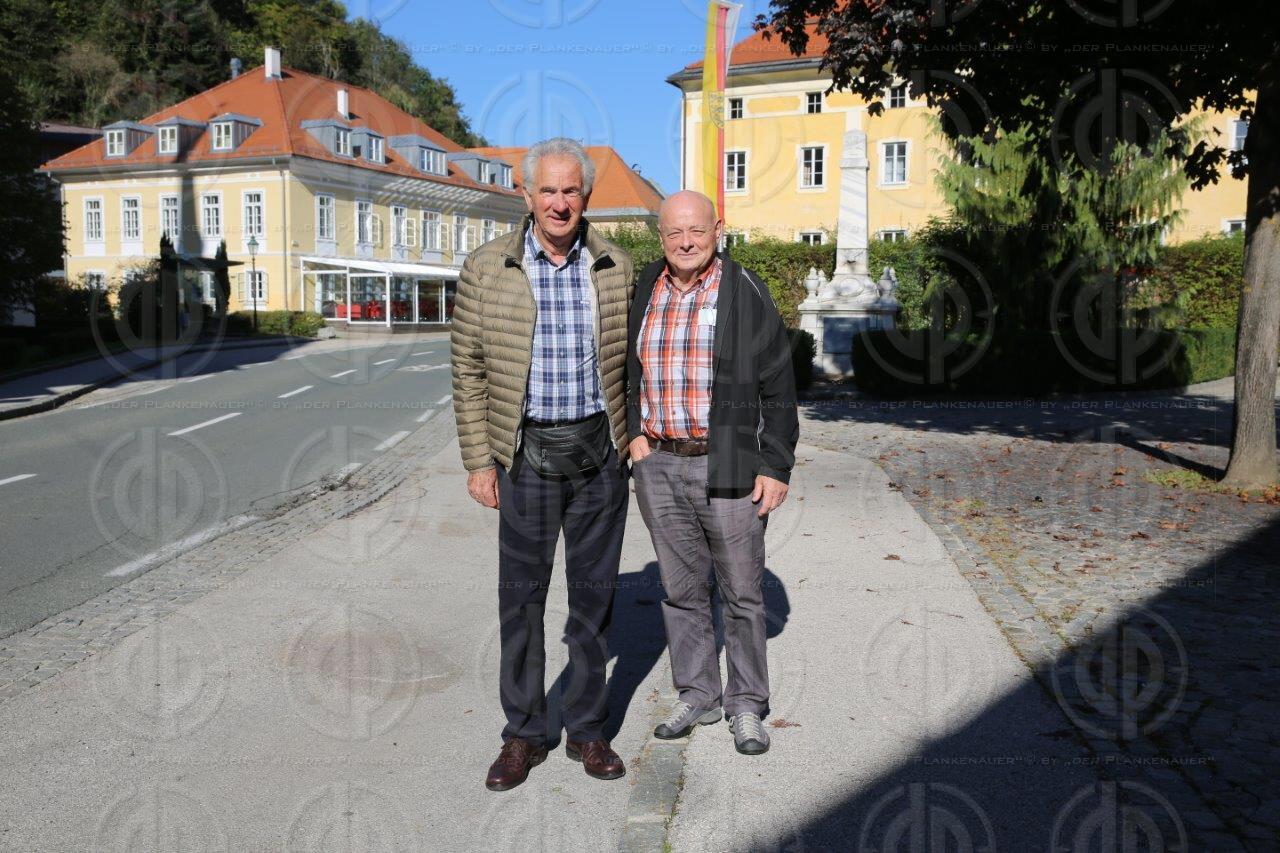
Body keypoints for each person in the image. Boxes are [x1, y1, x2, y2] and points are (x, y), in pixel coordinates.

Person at [451, 138, 634, 791]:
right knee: (521, 601)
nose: (559, 202)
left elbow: (635, 362)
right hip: (523, 456)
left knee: (594, 600)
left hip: (599, 456)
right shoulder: (487, 267)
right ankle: (524, 734)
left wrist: (635, 438)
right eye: (548, 190)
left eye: (570, 190)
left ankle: (586, 727)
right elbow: (467, 369)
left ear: (586, 195)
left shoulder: (616, 265)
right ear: (526, 195)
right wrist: (479, 460)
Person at [626, 190, 798, 756]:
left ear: (717, 229)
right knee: (680, 591)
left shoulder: (744, 290)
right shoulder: (645, 287)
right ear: (660, 237)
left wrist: (775, 464)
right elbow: (624, 366)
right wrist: (633, 434)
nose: (686, 242)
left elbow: (779, 383)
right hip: (658, 462)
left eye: (696, 230)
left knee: (742, 592)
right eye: (674, 232)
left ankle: (746, 704)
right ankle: (698, 694)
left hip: (728, 461)